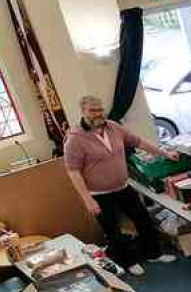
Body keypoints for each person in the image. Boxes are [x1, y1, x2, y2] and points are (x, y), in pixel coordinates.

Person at [65, 96, 179, 276]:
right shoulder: (75, 139)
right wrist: (87, 199)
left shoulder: (113, 127)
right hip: (99, 194)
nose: (98, 113)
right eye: (93, 110)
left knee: (143, 219)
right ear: (83, 112)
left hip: (122, 187)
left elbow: (138, 142)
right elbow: (73, 172)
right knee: (113, 231)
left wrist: (164, 153)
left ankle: (154, 254)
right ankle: (129, 261)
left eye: (100, 109)